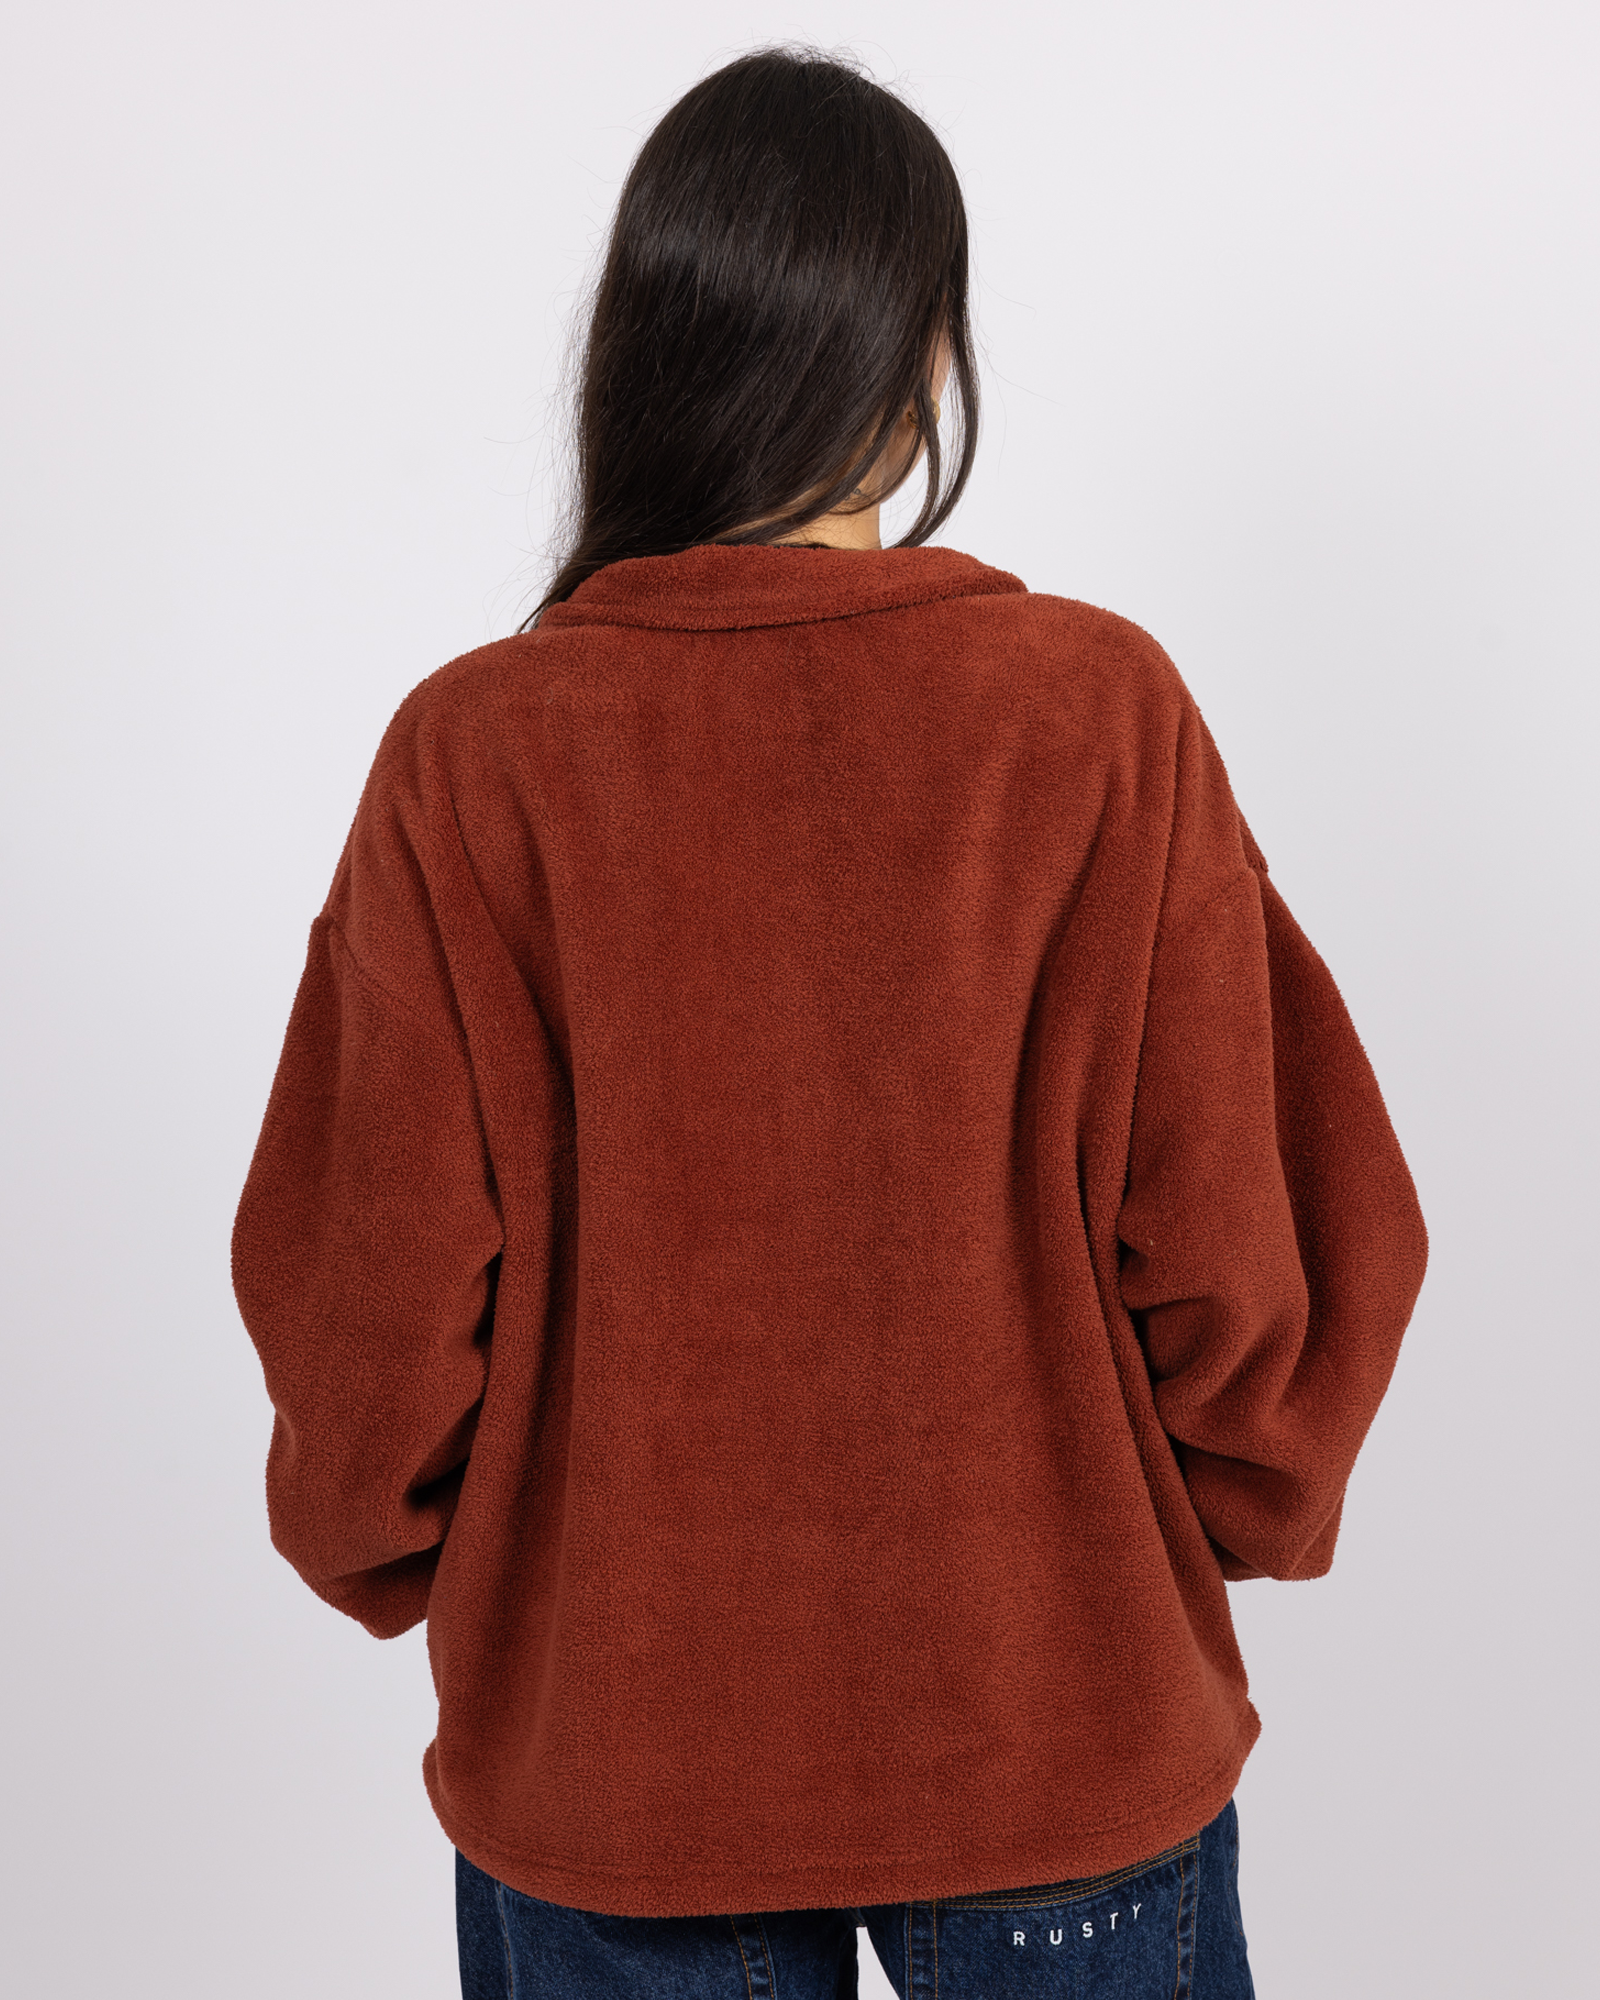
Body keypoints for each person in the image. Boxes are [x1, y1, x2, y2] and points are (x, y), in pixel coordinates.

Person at [231, 44, 1428, 2000]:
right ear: (924, 356)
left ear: (644, 351)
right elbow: (1251, 1231)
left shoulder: (477, 758)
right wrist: (1211, 1507)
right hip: (1051, 1724)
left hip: (620, 1756)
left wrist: (420, 1544)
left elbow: (369, 1311)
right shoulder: (1093, 717)